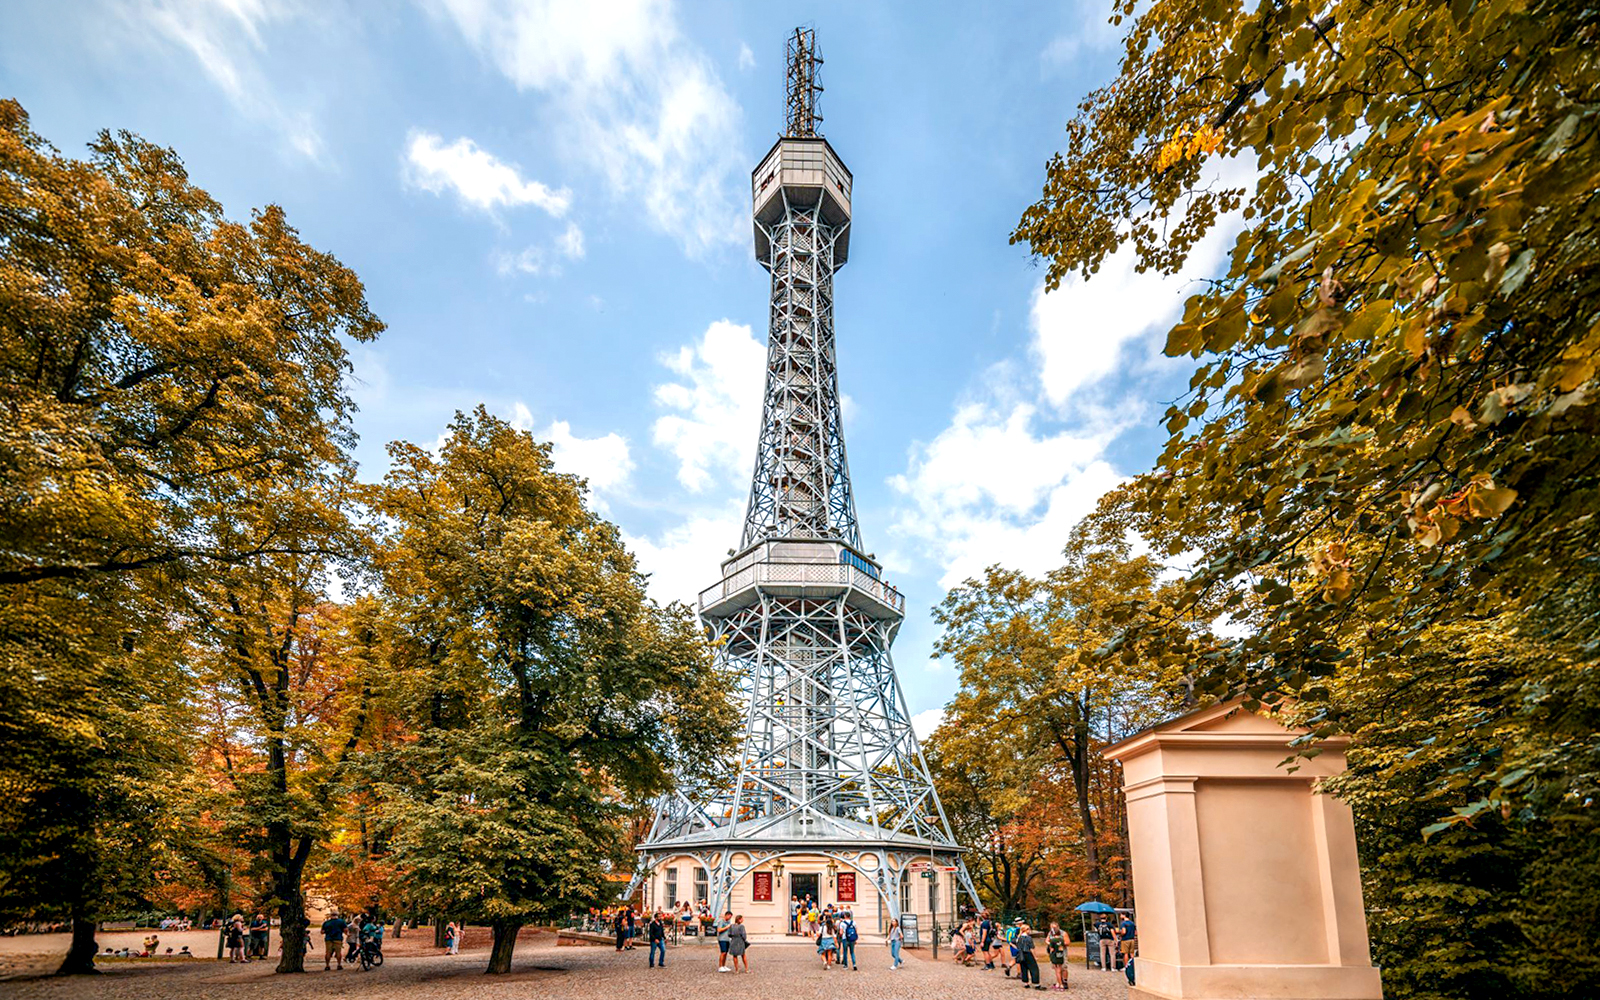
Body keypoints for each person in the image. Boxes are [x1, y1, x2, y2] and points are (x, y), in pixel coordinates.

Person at [1015, 921, 1042, 990]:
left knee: (1024, 968)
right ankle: (1036, 983)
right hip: (1028, 953)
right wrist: (1035, 956)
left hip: (1021, 954)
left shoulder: (1019, 938)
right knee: (1034, 968)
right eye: (1028, 929)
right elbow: (1032, 948)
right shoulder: (1028, 938)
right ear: (1025, 930)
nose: (1029, 930)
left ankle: (1026, 983)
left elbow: (1016, 945)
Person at [1046, 921, 1068, 990]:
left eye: (1054, 927)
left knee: (1063, 967)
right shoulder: (1050, 933)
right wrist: (1050, 943)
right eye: (1051, 927)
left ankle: (1064, 981)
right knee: (1056, 968)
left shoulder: (1063, 933)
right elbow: (1047, 940)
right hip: (1054, 953)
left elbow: (1067, 942)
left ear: (1058, 927)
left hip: (1062, 953)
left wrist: (1058, 943)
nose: (1053, 929)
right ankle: (1059, 981)